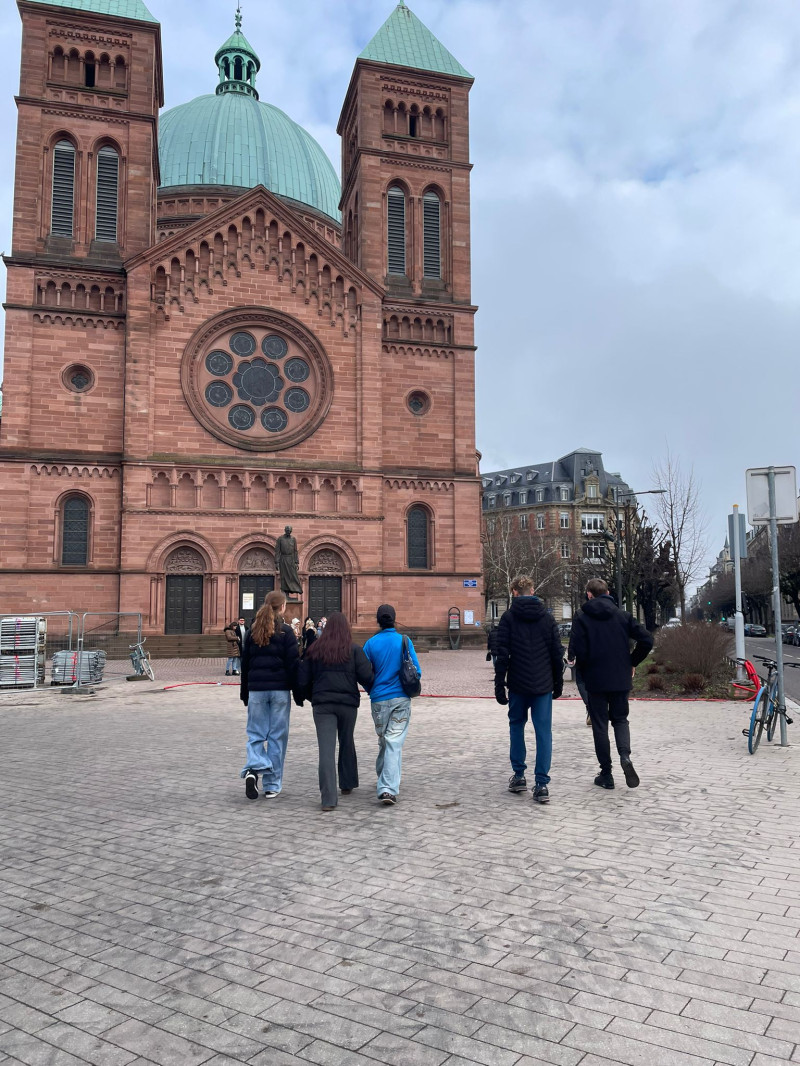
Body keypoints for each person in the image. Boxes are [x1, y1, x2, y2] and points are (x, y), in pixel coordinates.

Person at [568, 577, 654, 790]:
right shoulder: (622, 615)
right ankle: (625, 756)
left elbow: (578, 648)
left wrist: (585, 666)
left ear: (589, 594)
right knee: (621, 720)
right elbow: (647, 640)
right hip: (620, 677)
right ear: (607, 593)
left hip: (595, 679)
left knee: (600, 724)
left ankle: (606, 773)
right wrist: (632, 662)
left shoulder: (581, 616)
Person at [494, 574, 564, 804]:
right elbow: (556, 653)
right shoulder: (547, 618)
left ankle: (519, 775)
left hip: (518, 682)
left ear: (514, 592)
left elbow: (501, 654)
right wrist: (558, 682)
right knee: (544, 733)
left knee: (517, 726)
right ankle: (542, 784)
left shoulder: (508, 618)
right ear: (532, 591)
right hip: (543, 683)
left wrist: (499, 684)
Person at [296, 612, 374, 811]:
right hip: (347, 704)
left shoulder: (315, 649)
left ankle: (328, 799)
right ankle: (347, 783)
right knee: (347, 740)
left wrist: (312, 697)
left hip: (323, 705)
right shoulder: (354, 650)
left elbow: (302, 680)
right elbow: (368, 677)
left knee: (326, 749)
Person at [240, 590, 300, 800]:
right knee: (277, 737)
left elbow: (245, 665)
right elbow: (293, 665)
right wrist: (298, 692)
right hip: (279, 691)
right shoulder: (285, 632)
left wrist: (244, 692)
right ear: (282, 607)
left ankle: (253, 769)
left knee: (256, 734)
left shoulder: (251, 632)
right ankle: (272, 785)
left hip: (256, 690)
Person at [363, 604, 421, 806]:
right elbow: (417, 671)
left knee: (385, 740)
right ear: (394, 619)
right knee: (393, 742)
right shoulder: (404, 641)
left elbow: (364, 673)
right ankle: (387, 788)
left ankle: (384, 777)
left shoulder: (370, 644)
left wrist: (372, 689)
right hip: (400, 699)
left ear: (378, 620)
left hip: (378, 700)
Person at [275, 525, 303, 599]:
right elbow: (277, 551)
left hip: (291, 559)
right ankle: (285, 594)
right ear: (285, 530)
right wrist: (276, 562)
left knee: (292, 576)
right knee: (284, 577)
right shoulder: (280, 539)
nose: (288, 532)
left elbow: (295, 551)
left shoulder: (293, 539)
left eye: (290, 531)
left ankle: (296, 589)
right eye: (287, 530)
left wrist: (296, 562)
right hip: (283, 559)